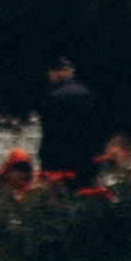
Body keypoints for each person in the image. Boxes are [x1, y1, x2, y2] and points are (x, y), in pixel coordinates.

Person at [37, 53, 101, 186]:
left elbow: (50, 135)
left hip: (59, 164)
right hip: (86, 160)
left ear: (54, 73)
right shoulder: (87, 94)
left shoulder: (53, 97)